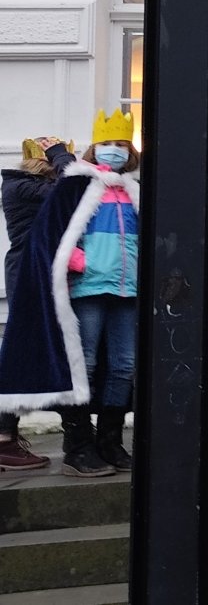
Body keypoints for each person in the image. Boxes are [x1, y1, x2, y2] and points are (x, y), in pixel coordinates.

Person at [0, 109, 141, 478]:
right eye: (107, 144)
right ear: (95, 148)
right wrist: (78, 258)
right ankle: (79, 445)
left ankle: (111, 440)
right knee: (85, 364)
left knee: (124, 366)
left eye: (121, 145)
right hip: (90, 287)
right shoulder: (79, 183)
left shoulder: (132, 190)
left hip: (129, 289)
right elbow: (55, 229)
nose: (114, 151)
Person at [0, 136, 76, 471]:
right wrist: (63, 156)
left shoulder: (24, 187)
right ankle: (3, 439)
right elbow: (73, 188)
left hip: (36, 274)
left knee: (32, 354)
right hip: (31, 275)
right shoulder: (24, 188)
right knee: (22, 354)